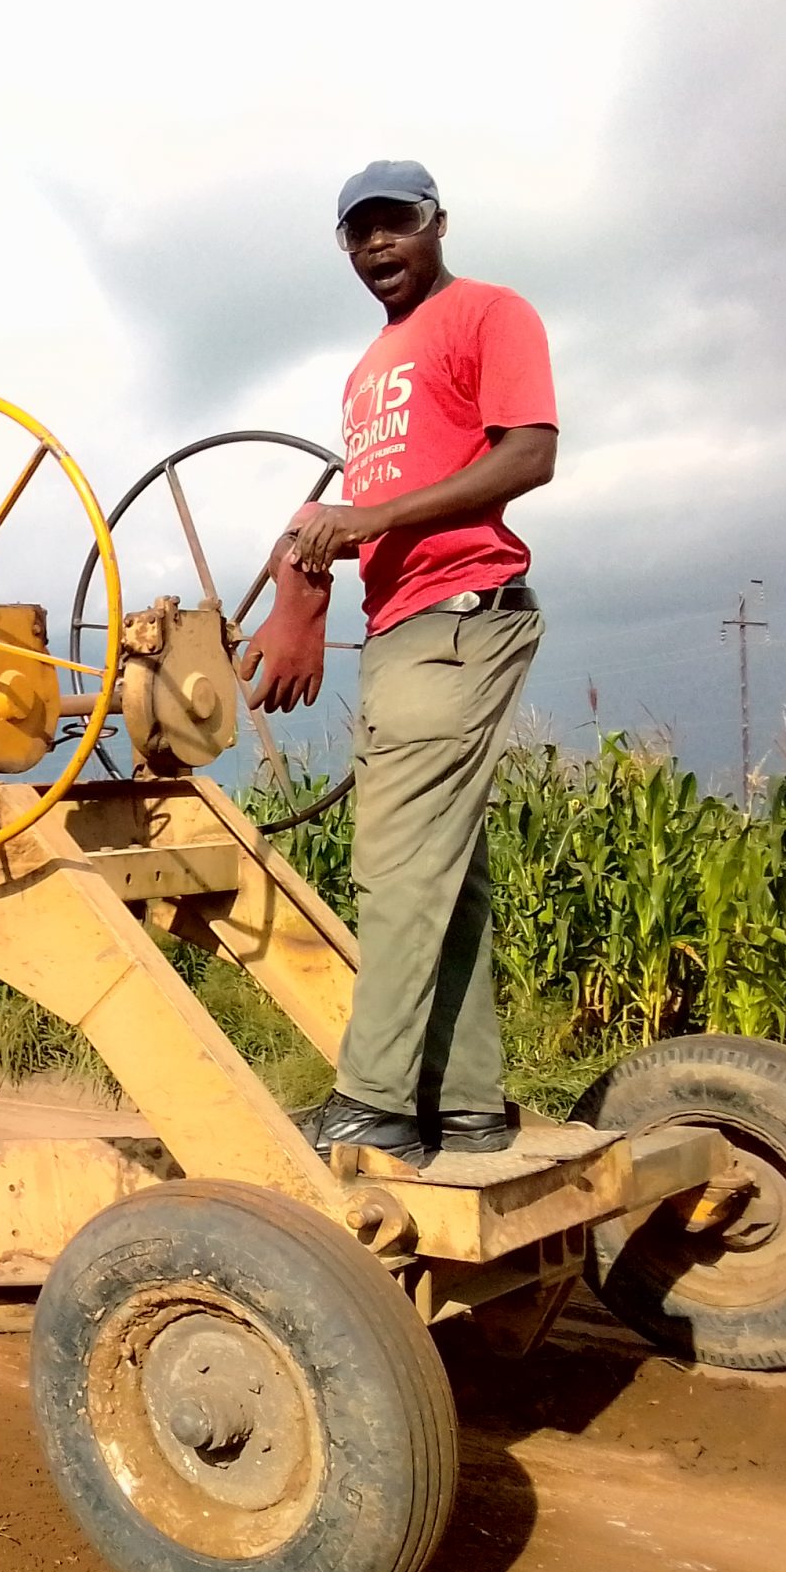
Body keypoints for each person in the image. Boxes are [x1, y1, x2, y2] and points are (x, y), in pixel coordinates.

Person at [244, 161, 558, 1164]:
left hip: (461, 611)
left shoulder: (489, 314)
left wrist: (366, 518)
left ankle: (373, 1109)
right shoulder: (366, 369)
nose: (379, 247)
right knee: (444, 878)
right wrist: (298, 593)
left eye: (397, 226)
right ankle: (464, 1113)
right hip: (396, 628)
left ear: (436, 225)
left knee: (391, 871)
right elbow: (335, 520)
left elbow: (527, 455)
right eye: (359, 233)